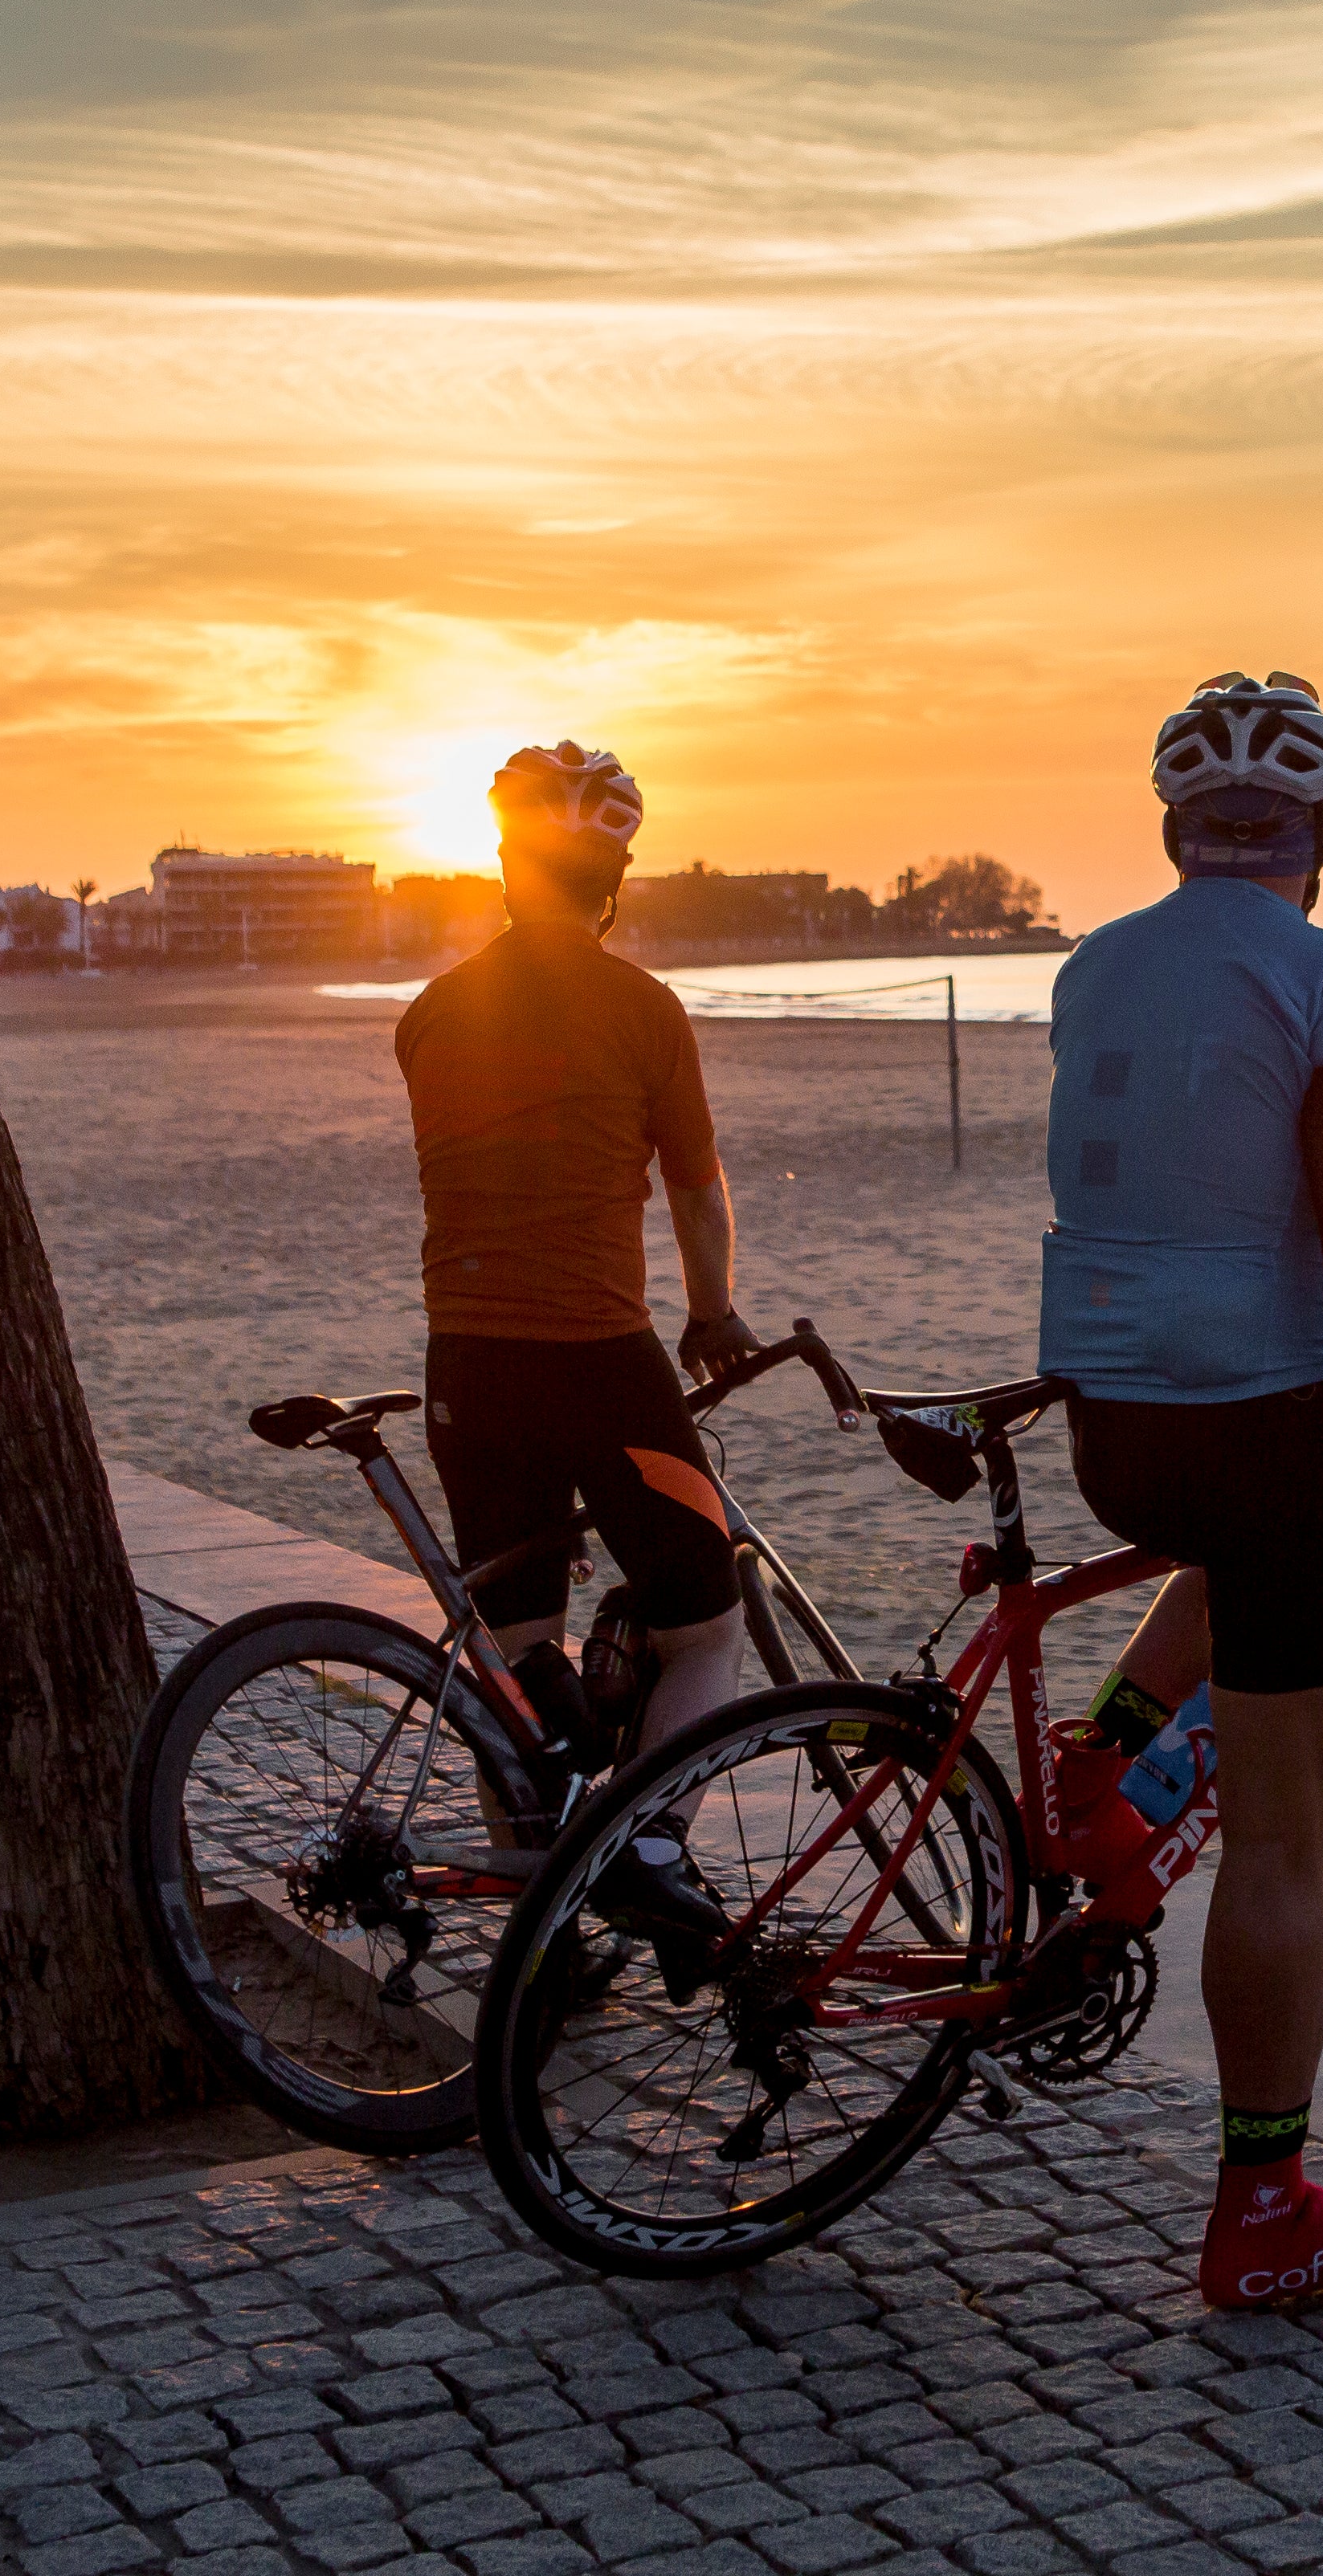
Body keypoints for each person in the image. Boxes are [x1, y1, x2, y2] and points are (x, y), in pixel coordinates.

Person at [1036, 669, 1323, 2307]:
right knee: (1285, 1845)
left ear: (1175, 834)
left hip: (1114, 1426)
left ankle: (1100, 1768)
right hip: (1271, 1424)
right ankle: (1269, 2212)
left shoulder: (1094, 966)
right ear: (1320, 838)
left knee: (1224, 1551)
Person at [391, 741, 760, 1933]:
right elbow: (696, 1193)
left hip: (467, 1362)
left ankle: (538, 1930)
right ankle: (648, 1854)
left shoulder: (433, 1017)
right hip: (600, 1357)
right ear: (614, 881)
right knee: (707, 1625)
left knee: (520, 1655)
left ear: (504, 865)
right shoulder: (644, 1011)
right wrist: (710, 1313)